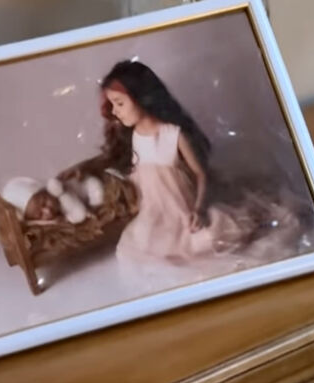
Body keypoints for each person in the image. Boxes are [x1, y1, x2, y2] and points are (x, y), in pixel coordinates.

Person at [99, 60, 268, 266]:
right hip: (155, 212)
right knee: (140, 244)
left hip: (182, 209)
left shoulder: (173, 134)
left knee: (208, 238)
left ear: (141, 98)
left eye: (119, 103)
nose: (115, 111)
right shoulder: (134, 136)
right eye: (113, 105)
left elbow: (200, 174)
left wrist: (199, 209)